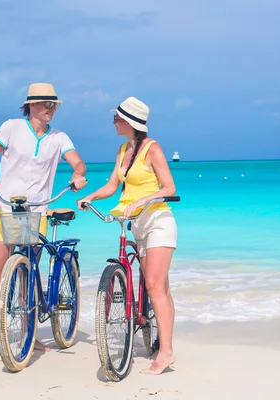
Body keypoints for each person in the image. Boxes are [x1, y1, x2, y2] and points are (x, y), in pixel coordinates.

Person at [0, 82, 88, 360]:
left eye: (55, 105)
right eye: (47, 104)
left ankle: (30, 335)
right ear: (33, 105)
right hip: (5, 209)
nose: (52, 109)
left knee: (28, 274)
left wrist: (78, 174)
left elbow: (78, 162)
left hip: (36, 213)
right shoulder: (11, 127)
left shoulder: (59, 137)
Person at [76, 96, 177, 375]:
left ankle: (166, 352)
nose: (113, 122)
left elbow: (169, 187)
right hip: (134, 222)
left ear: (130, 122)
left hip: (157, 220)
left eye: (117, 118)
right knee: (157, 286)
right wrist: (91, 197)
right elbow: (112, 185)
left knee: (156, 286)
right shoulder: (123, 150)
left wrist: (145, 200)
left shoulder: (152, 149)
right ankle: (155, 336)